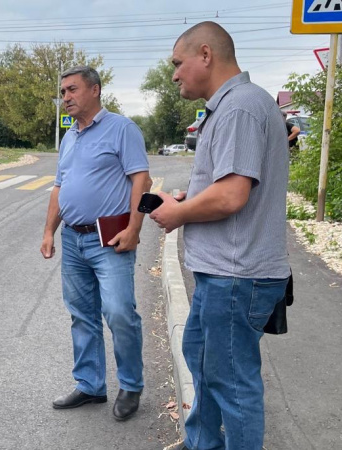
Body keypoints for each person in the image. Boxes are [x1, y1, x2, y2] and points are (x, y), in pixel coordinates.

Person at [149, 21, 291, 450]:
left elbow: (231, 195)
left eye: (178, 63)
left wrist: (178, 214)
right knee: (207, 367)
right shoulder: (237, 106)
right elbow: (226, 185)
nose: (174, 74)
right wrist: (189, 198)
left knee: (233, 385)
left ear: (205, 55)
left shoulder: (239, 108)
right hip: (228, 274)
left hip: (236, 275)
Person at [40, 65, 151, 421]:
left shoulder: (122, 129)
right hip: (73, 239)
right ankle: (90, 385)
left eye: (72, 90)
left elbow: (141, 180)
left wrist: (135, 229)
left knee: (119, 312)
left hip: (111, 238)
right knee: (81, 315)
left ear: (95, 90)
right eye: (63, 92)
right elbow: (60, 187)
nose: (66, 98)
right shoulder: (69, 137)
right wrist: (48, 232)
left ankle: (131, 385)